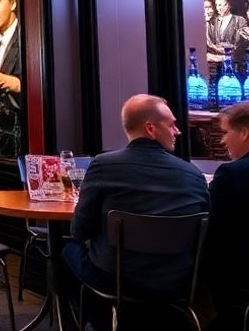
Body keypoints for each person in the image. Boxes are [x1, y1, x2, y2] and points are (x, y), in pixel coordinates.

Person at [61, 95, 210, 330]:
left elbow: (79, 230)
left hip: (116, 280)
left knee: (68, 249)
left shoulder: (103, 165)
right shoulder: (192, 174)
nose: (178, 131)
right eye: (171, 124)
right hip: (178, 280)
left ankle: (95, 324)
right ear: (150, 128)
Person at [208, 102, 249, 331]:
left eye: (225, 132)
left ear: (244, 133)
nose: (222, 141)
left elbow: (210, 228)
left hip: (238, 287)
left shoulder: (232, 174)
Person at [208, 0, 246, 76]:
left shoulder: (239, 20)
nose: (220, 8)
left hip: (235, 65)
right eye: (218, 5)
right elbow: (210, 44)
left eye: (223, 5)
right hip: (217, 66)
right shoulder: (213, 21)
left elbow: (241, 44)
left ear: (229, 4)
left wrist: (229, 47)